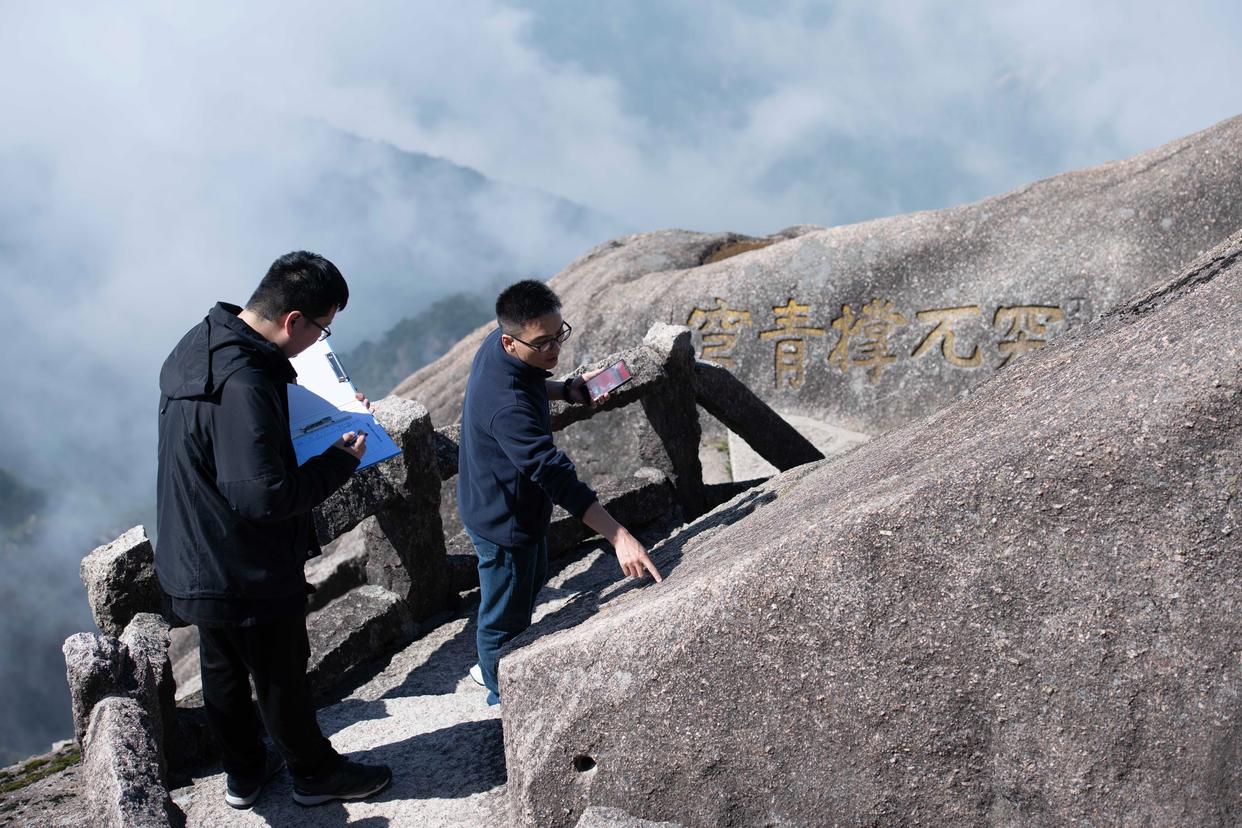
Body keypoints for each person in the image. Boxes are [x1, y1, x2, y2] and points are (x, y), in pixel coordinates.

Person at [155, 251, 391, 809]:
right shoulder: (247, 379)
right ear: (293, 321)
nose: (318, 342)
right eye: (322, 328)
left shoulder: (201, 344)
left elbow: (229, 446)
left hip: (195, 551)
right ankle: (314, 774)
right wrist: (340, 459)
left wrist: (325, 412)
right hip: (245, 563)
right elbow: (261, 495)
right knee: (280, 671)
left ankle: (244, 775)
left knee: (224, 672)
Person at [458, 279, 662, 705]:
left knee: (527, 587)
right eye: (542, 343)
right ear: (510, 341)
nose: (553, 349)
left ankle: (495, 665)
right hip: (503, 520)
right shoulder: (507, 405)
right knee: (503, 618)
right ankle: (502, 700)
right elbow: (554, 474)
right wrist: (618, 535)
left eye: (558, 335)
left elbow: (531, 383)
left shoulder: (499, 348)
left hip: (510, 505)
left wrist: (566, 389)